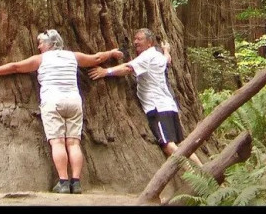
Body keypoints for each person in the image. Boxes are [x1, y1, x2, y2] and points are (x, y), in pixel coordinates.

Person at [0, 29, 123, 194]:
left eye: (41, 43)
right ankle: (77, 182)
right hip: (74, 101)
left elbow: (15, 67)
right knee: (73, 142)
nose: (39, 46)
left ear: (51, 44)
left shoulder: (42, 59)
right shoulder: (73, 56)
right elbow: (96, 58)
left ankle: (64, 183)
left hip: (53, 102)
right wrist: (112, 53)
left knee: (58, 142)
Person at [87, 27, 202, 166]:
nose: (135, 42)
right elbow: (168, 60)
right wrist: (166, 50)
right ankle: (203, 169)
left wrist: (105, 71)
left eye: (139, 39)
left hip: (157, 107)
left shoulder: (147, 56)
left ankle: (194, 177)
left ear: (150, 43)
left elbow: (128, 68)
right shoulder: (158, 55)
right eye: (135, 39)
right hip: (169, 105)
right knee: (181, 144)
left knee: (167, 145)